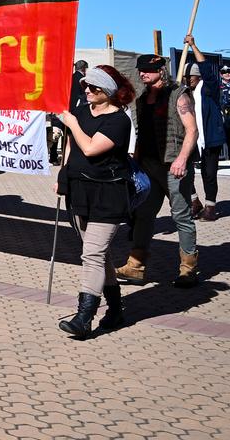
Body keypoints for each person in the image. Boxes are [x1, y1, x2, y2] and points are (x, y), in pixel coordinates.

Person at [56, 65, 135, 338]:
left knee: (92, 254)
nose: (87, 91)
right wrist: (63, 173)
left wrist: (73, 124)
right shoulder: (80, 111)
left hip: (108, 194)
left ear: (108, 93)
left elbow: (90, 148)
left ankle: (84, 316)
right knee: (101, 255)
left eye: (94, 88)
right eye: (85, 87)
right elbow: (71, 145)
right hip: (80, 191)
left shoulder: (118, 121)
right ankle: (115, 308)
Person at [116, 54, 200, 288]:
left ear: (161, 70)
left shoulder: (178, 94)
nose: (143, 73)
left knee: (181, 216)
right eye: (140, 69)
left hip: (173, 164)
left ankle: (188, 269)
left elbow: (192, 131)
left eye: (147, 70)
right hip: (147, 166)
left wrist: (182, 159)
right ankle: (136, 265)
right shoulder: (141, 97)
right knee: (142, 215)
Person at [184, 35, 224, 221]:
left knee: (209, 173)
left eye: (189, 76)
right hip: (191, 138)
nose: (187, 80)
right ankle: (194, 202)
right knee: (184, 172)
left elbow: (207, 70)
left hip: (209, 137)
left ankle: (210, 206)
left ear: (197, 77)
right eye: (185, 77)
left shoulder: (208, 89)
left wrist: (193, 46)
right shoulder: (185, 93)